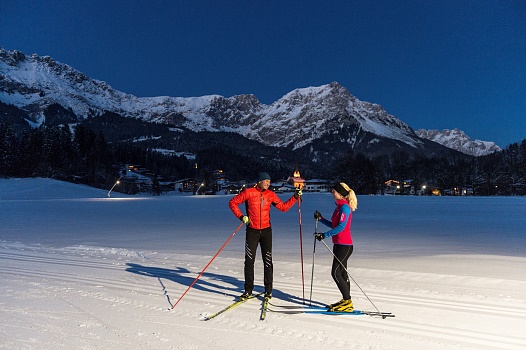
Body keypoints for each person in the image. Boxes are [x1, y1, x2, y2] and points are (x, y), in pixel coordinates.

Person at [229, 171, 302, 300]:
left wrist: (295, 197)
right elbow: (233, 202)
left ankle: (268, 290)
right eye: (266, 181)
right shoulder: (249, 192)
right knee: (249, 262)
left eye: (269, 181)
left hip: (266, 232)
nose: (268, 183)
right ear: (259, 181)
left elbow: (283, 207)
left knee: (267, 261)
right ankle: (248, 290)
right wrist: (241, 217)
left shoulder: (270, 194)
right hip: (252, 231)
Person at [313, 182, 357, 312]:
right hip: (338, 244)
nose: (333, 193)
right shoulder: (339, 207)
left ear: (341, 194)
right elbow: (334, 224)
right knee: (342, 273)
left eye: (335, 191)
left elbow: (341, 227)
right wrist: (321, 219)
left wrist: (324, 235)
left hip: (345, 245)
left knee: (335, 273)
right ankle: (346, 301)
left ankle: (347, 301)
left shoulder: (345, 208)